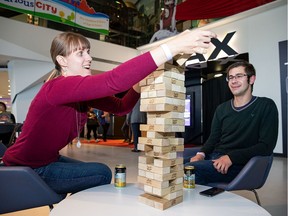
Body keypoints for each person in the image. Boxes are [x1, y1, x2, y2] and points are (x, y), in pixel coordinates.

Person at [2, 29, 216, 198]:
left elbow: (121, 106)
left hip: (47, 160)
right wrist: (172, 45)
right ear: (62, 61)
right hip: (29, 167)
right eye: (80, 53)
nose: (88, 58)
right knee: (101, 173)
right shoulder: (57, 87)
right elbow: (113, 81)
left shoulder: (80, 91)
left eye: (88, 51)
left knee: (96, 174)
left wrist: (137, 88)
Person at [184, 61, 279, 185]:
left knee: (187, 170)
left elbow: (266, 146)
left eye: (239, 76)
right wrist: (200, 154)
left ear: (251, 79)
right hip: (214, 158)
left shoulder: (266, 106)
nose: (234, 81)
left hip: (239, 165)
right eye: (230, 77)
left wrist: (232, 157)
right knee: (171, 165)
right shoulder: (222, 109)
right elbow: (212, 139)